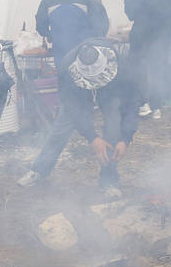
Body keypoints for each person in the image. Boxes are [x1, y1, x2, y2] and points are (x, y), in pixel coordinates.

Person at [17, 38, 141, 198]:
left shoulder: (123, 67)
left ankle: (109, 180)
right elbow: (72, 106)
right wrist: (92, 137)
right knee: (60, 130)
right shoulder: (67, 66)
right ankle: (39, 170)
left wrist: (125, 139)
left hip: (110, 93)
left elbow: (132, 104)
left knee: (113, 128)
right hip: (79, 93)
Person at [35, 0, 109, 69]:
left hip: (60, 47)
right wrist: (94, 37)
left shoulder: (47, 1)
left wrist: (50, 35)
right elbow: (100, 20)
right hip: (82, 47)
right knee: (81, 72)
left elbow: (40, 25)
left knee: (63, 72)